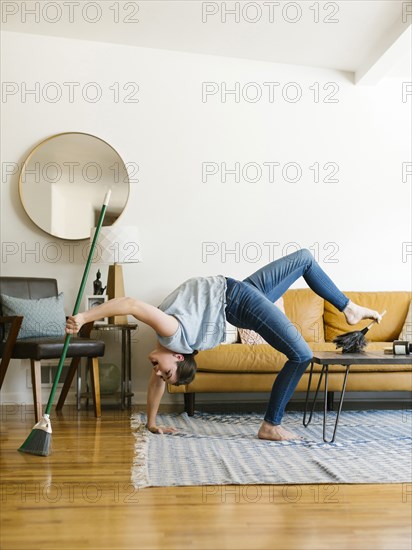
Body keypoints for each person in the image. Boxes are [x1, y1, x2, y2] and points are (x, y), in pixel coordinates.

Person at [66, 249, 382, 440]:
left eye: (162, 374)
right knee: (300, 355)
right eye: (166, 374)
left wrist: (84, 317)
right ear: (178, 358)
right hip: (235, 301)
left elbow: (132, 303)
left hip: (236, 294)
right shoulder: (174, 337)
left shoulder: (170, 333)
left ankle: (348, 307)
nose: (158, 375)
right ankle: (271, 425)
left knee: (304, 260)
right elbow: (157, 382)